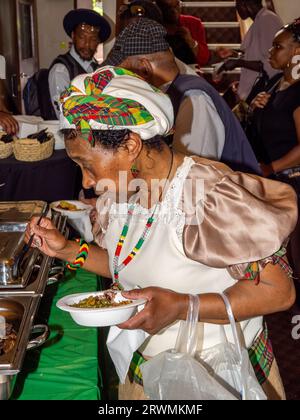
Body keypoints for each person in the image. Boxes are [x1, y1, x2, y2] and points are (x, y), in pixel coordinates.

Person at [26, 66, 297, 400]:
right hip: (152, 368)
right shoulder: (122, 192)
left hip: (219, 375)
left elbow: (278, 291)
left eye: (88, 165)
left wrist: (183, 306)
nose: (85, 181)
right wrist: (68, 250)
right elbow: (121, 262)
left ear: (129, 145)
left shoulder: (205, 195)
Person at [104, 18, 260, 174]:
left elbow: (188, 177)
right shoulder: (174, 94)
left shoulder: (194, 99)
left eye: (124, 75)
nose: (122, 83)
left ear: (144, 69)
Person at [249, 19, 300, 284]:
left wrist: (270, 168)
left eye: (278, 46)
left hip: (293, 183)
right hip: (275, 182)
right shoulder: (277, 82)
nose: (271, 52)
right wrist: (256, 107)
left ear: (296, 52)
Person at [48, 8, 111, 119]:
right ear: (73, 36)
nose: (87, 44)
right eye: (82, 37)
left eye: (93, 39)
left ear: (98, 42)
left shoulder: (97, 68)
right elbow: (64, 115)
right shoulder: (61, 70)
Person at [217, 0, 283, 101]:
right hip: (251, 91)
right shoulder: (259, 20)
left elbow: (271, 64)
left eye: (237, 4)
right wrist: (234, 53)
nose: (236, 9)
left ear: (244, 4)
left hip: (260, 94)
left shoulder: (267, 19)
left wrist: (238, 63)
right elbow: (257, 55)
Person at [155, 0, 210, 67]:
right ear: (158, 8)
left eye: (176, 6)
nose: (173, 11)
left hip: (189, 72)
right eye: (168, 8)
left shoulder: (193, 23)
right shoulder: (152, 25)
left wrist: (190, 41)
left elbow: (204, 59)